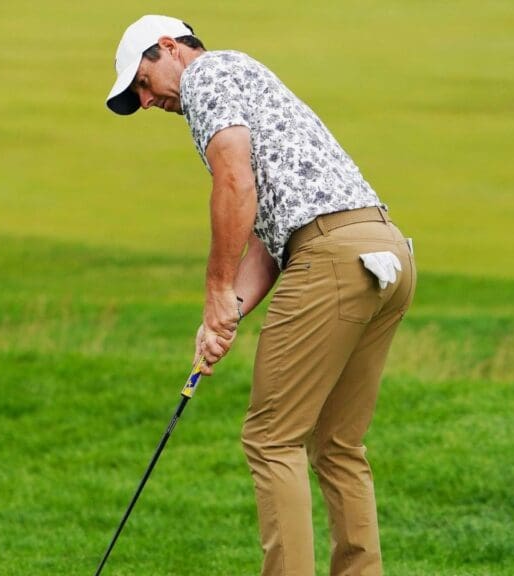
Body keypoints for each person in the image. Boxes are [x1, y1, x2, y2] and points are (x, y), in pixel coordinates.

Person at [105, 15, 416, 576]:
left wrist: (215, 293)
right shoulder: (244, 77)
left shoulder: (208, 75)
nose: (145, 101)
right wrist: (227, 316)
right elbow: (270, 240)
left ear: (170, 48)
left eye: (143, 84)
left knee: (271, 438)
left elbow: (235, 185)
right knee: (338, 445)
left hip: (332, 259)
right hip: (384, 252)